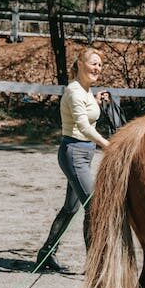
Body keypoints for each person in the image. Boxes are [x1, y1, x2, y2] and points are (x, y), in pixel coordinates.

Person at [36, 47, 110, 272]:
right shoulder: (74, 91)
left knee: (70, 208)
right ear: (79, 64)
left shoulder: (86, 91)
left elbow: (85, 114)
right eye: (93, 63)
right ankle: (95, 263)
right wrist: (108, 145)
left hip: (84, 154)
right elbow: (83, 126)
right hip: (74, 153)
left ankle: (45, 254)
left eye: (99, 64)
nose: (97, 68)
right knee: (94, 207)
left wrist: (96, 101)